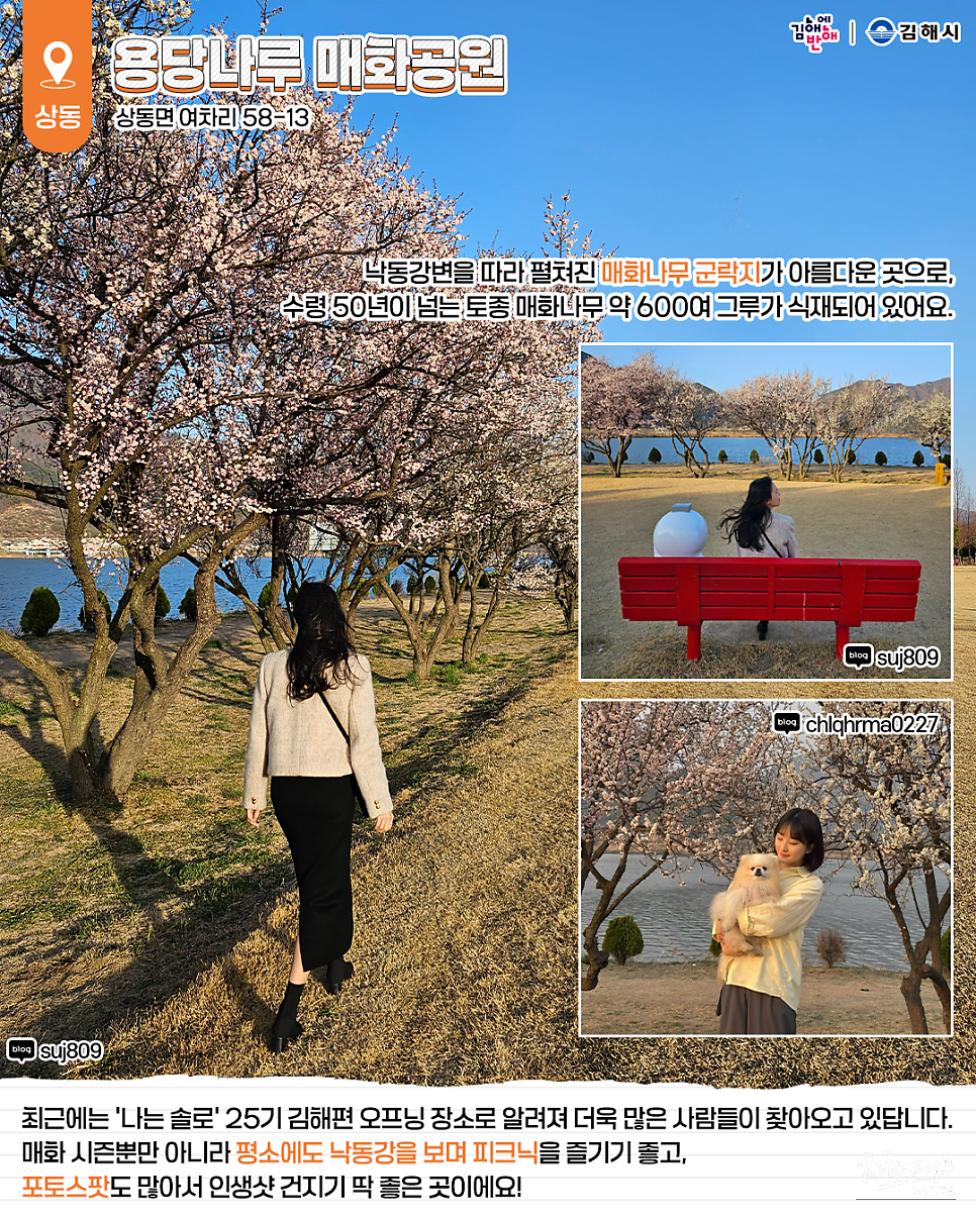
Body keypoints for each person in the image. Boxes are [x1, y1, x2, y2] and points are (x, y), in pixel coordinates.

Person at [243, 582, 394, 1053]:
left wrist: (254, 794)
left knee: (329, 879)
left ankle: (336, 963)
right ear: (335, 616)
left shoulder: (272, 665)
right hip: (330, 792)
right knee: (320, 893)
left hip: (290, 794)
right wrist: (379, 801)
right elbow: (362, 741)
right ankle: (287, 1012)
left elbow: (257, 734)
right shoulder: (353, 667)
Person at [714, 808, 824, 1036]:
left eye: (793, 842)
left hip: (773, 983)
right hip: (736, 976)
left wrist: (733, 918)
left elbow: (774, 921)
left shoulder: (809, 885)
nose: (783, 847)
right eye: (780, 838)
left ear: (810, 847)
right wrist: (722, 933)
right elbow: (723, 907)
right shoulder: (753, 865)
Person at [719, 475, 798, 640]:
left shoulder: (742, 524)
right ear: (767, 500)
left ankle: (763, 619)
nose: (779, 494)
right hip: (779, 586)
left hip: (751, 587)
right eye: (776, 491)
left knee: (762, 577)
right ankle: (765, 618)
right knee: (773, 577)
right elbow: (792, 558)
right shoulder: (786, 522)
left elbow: (742, 557)